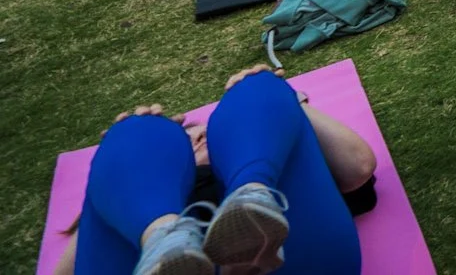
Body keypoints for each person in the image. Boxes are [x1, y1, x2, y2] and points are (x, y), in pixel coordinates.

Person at [53, 64, 377, 275]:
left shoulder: (288, 164)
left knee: (258, 88)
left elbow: (358, 166)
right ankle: (165, 239)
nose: (199, 138)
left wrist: (287, 102)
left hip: (285, 250)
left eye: (206, 133)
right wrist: (114, 167)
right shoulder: (146, 185)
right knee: (136, 132)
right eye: (189, 137)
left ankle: (253, 199)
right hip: (146, 244)